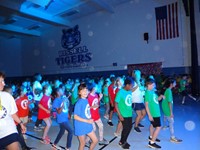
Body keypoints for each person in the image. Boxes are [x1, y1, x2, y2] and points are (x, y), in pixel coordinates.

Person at [0, 72, 26, 150]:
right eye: (1, 81)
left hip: (9, 131)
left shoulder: (7, 96)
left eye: (3, 81)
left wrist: (21, 123)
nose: (4, 84)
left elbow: (13, 113)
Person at [73, 83, 98, 150]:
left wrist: (92, 107)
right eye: (83, 90)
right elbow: (75, 116)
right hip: (80, 125)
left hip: (87, 124)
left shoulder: (86, 100)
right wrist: (87, 121)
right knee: (82, 143)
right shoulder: (78, 103)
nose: (85, 92)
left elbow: (85, 108)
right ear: (79, 92)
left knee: (95, 140)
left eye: (86, 90)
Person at [115, 77, 134, 149]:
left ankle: (124, 140)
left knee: (129, 127)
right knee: (126, 128)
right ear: (127, 85)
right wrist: (119, 115)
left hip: (129, 113)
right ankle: (122, 142)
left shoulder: (129, 91)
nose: (132, 87)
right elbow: (116, 103)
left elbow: (129, 101)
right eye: (131, 85)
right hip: (123, 114)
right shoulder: (120, 92)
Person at [145, 78, 164, 149]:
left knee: (152, 125)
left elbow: (157, 99)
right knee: (158, 127)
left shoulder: (152, 91)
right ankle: (152, 142)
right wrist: (149, 115)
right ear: (148, 85)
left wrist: (161, 96)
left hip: (156, 112)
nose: (154, 86)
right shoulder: (147, 93)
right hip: (154, 113)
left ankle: (151, 137)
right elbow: (146, 105)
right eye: (152, 85)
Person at [161, 78, 182, 143]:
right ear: (171, 84)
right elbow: (169, 102)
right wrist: (171, 112)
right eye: (175, 83)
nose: (175, 83)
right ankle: (172, 137)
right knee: (171, 122)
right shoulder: (169, 91)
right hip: (167, 108)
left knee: (165, 116)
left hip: (164, 107)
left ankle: (164, 126)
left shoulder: (167, 90)